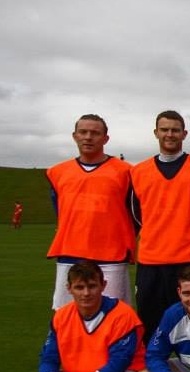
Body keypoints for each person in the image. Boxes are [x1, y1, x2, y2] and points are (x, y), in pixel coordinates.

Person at [24, 261, 147, 372]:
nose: (86, 293)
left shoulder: (122, 314)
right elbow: (49, 356)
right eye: (79, 287)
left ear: (103, 285)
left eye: (92, 286)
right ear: (69, 288)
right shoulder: (62, 315)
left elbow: (118, 364)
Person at [130, 110, 190, 340]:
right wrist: (156, 234)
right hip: (151, 262)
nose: (170, 134)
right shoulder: (138, 172)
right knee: (150, 323)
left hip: (188, 261)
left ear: (184, 134)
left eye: (175, 130)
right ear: (156, 133)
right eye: (164, 129)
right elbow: (135, 214)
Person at [46, 114, 136, 309]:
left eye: (95, 133)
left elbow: (137, 213)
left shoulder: (126, 172)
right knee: (66, 316)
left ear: (106, 138)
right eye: (83, 132)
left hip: (111, 255)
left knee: (114, 315)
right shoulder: (57, 172)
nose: (88, 137)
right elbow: (59, 209)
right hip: (70, 252)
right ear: (75, 136)